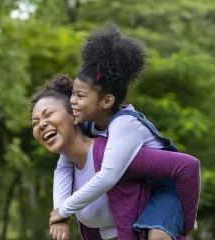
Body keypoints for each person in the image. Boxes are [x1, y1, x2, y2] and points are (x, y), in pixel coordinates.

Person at [50, 25, 196, 240]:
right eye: (72, 93)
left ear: (106, 101)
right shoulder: (89, 124)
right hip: (138, 188)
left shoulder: (125, 124)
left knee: (157, 237)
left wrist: (64, 210)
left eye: (80, 96)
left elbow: (107, 177)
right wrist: (59, 211)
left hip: (163, 189)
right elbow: (63, 166)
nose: (72, 101)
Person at [30, 74, 200, 240]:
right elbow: (61, 169)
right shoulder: (69, 163)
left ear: (74, 115)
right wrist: (60, 216)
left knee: (159, 235)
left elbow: (187, 166)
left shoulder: (115, 149)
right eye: (35, 122)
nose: (42, 124)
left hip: (168, 188)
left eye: (48, 114)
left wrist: (188, 220)